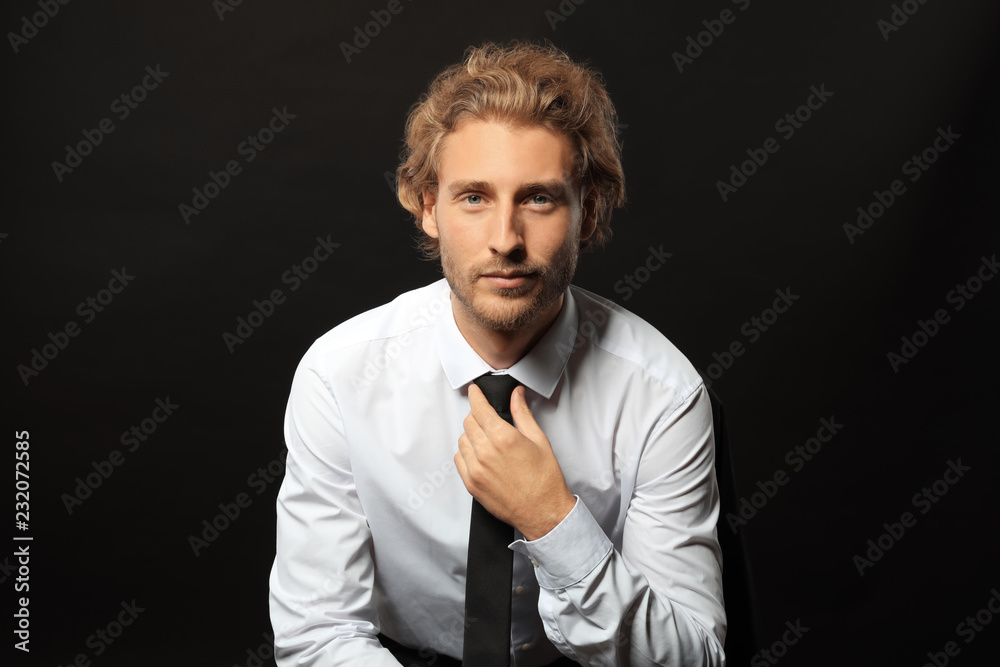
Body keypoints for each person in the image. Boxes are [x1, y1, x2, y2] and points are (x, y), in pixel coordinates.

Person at [268, 41, 726, 666]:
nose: (505, 241)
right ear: (428, 207)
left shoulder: (663, 395)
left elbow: (694, 658)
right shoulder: (339, 374)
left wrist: (553, 522)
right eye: (474, 198)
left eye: (538, 198)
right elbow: (319, 637)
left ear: (588, 211)